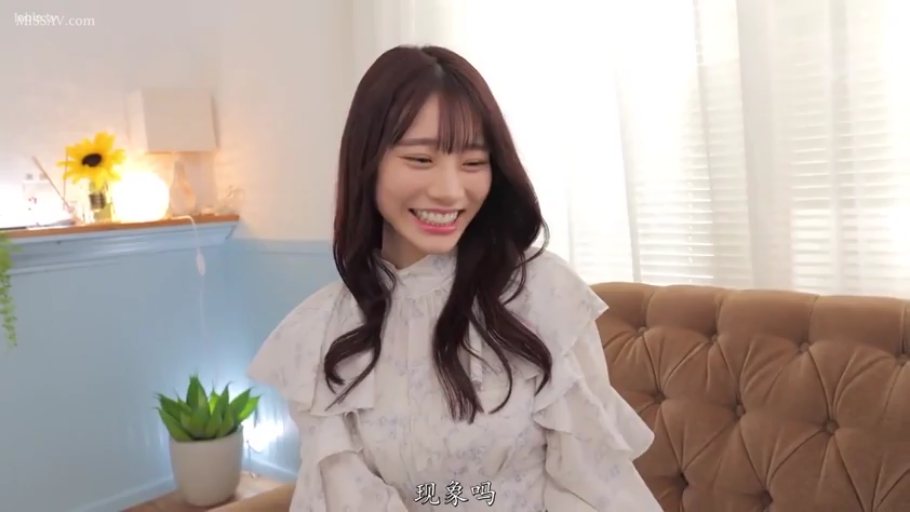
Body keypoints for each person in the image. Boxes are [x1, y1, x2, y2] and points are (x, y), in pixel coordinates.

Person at [247, 45, 661, 511]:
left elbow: (594, 484)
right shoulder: (319, 335)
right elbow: (346, 498)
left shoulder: (544, 295)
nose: (449, 191)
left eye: (473, 163)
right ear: (367, 162)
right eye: (420, 160)